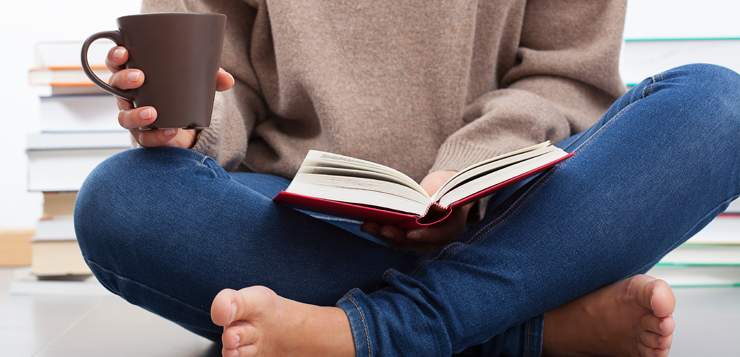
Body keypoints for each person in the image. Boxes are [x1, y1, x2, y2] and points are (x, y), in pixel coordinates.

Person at [73, 0, 740, 356]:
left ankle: (376, 331)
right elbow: (226, 82)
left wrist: (467, 168)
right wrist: (187, 126)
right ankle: (526, 326)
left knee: (720, 106)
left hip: (512, 207)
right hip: (298, 214)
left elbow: (566, 71)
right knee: (122, 200)